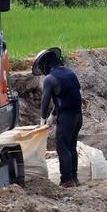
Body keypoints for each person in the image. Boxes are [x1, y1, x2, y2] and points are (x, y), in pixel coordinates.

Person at [35, 47, 83, 188]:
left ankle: (66, 180)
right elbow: (66, 97)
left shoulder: (50, 79)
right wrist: (53, 115)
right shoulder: (70, 73)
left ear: (45, 65)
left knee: (62, 148)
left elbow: (44, 102)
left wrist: (43, 119)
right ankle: (74, 178)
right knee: (71, 146)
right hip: (78, 115)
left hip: (67, 117)